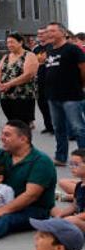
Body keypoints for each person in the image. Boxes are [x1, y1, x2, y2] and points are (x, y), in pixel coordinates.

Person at [44, 22, 85, 166]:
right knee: (58, 128)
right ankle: (61, 157)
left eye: (53, 31)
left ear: (63, 33)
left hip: (71, 96)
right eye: (48, 31)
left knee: (78, 128)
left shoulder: (73, 49)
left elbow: (83, 69)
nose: (49, 34)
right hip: (53, 96)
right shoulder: (49, 49)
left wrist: (81, 86)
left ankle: (82, 158)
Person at [0, 32, 39, 127]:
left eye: (12, 42)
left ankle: (26, 141)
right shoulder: (6, 57)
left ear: (20, 42)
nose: (9, 45)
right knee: (12, 123)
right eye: (8, 42)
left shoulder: (29, 55)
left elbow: (28, 74)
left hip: (23, 96)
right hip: (6, 95)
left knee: (22, 125)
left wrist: (9, 84)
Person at [33, 27, 55, 134]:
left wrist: (40, 61)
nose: (40, 35)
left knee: (51, 104)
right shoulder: (36, 49)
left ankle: (55, 127)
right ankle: (48, 126)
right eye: (39, 33)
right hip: (39, 80)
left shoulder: (52, 47)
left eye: (43, 33)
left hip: (51, 80)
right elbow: (34, 63)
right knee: (42, 104)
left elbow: (43, 61)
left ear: (47, 34)